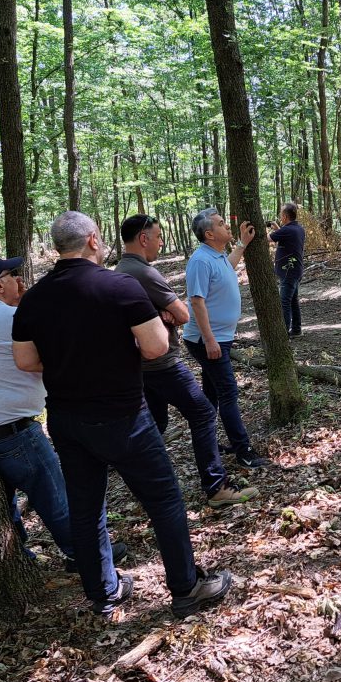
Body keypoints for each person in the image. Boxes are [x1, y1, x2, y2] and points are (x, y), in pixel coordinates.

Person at [13, 212, 232, 618]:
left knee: (86, 506)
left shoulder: (34, 298)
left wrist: (69, 362)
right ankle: (186, 587)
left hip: (66, 420)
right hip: (123, 417)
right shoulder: (119, 286)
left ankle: (102, 592)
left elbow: (25, 360)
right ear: (93, 240)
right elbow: (155, 347)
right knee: (164, 500)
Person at [0, 255, 127, 571]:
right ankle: (84, 554)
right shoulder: (11, 319)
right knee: (56, 498)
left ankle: (17, 556)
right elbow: (59, 353)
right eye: (13, 274)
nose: (19, 279)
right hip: (18, 432)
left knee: (6, 505)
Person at [116, 215, 257, 508]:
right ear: (144, 239)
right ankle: (220, 480)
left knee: (156, 419)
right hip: (163, 360)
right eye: (158, 236)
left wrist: (242, 245)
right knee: (206, 411)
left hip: (145, 362)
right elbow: (186, 310)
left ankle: (143, 481)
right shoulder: (151, 272)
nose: (162, 241)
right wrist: (204, 336)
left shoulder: (124, 269)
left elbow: (225, 271)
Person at [183, 208, 270, 469]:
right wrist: (209, 340)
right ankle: (243, 451)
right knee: (228, 392)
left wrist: (243, 243)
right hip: (208, 339)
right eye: (222, 224)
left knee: (212, 395)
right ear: (210, 233)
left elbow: (228, 267)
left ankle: (208, 444)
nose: (227, 227)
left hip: (218, 338)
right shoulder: (200, 260)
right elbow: (196, 301)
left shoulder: (216, 256)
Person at [267, 203, 306, 337]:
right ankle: (296, 329)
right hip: (295, 270)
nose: (280, 216)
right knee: (293, 300)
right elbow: (285, 239)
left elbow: (267, 239)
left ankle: (283, 334)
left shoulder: (287, 231)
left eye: (281, 214)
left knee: (284, 302)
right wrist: (277, 228)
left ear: (284, 216)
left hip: (289, 272)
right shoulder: (298, 228)